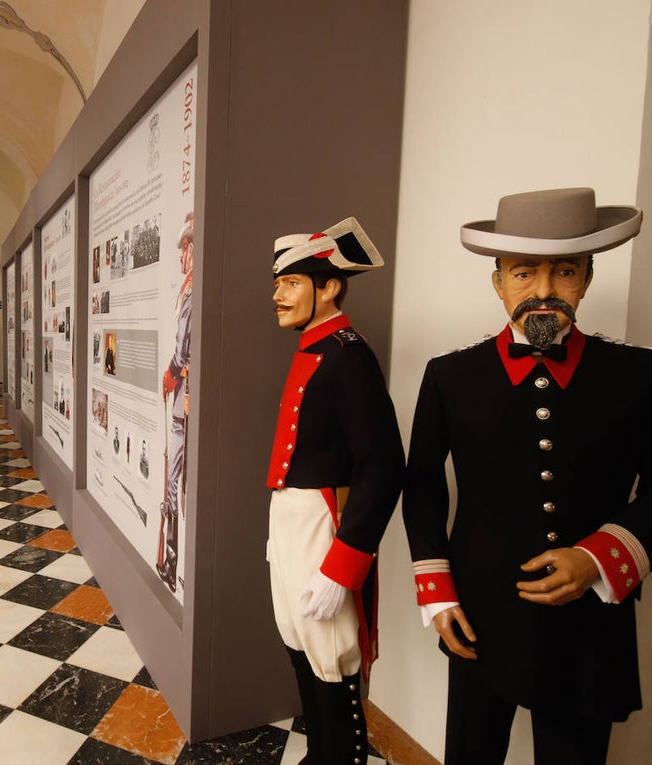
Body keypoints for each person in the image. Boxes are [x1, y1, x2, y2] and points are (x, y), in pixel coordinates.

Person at [402, 188, 652, 765]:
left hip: (591, 628)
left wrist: (600, 556)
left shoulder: (648, 377)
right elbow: (421, 486)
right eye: (523, 273)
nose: (543, 291)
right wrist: (435, 593)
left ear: (588, 277)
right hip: (480, 618)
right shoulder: (449, 377)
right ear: (497, 282)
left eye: (564, 271)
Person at [265, 216, 405, 764]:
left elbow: (384, 465)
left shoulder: (349, 355)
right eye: (278, 283)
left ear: (330, 287)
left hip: (325, 524)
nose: (278, 295)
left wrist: (343, 564)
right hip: (296, 521)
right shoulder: (316, 347)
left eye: (292, 283)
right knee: (299, 645)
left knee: (331, 657)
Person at [156, 212, 194, 591]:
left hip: (187, 396)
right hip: (186, 394)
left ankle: (173, 562)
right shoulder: (189, 285)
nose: (181, 255)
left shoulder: (193, 287)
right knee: (178, 482)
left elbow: (184, 344)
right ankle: (173, 562)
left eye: (184, 247)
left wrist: (172, 372)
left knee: (176, 482)